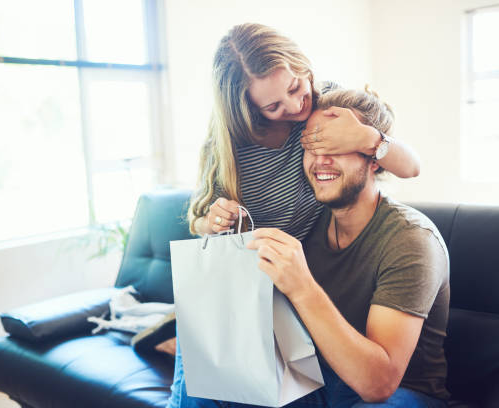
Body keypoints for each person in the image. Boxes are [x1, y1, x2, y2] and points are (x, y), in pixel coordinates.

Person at [166, 22, 423, 407]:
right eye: (273, 106)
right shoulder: (227, 145)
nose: (295, 108)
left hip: (291, 288)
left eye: (293, 88)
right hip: (237, 288)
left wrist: (368, 139)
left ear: (301, 65)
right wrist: (211, 220)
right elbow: (199, 218)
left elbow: (411, 168)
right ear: (248, 109)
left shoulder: (327, 105)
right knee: (198, 391)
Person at [245, 88, 450, 406]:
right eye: (312, 146)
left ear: (376, 162)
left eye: (336, 147)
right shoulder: (307, 221)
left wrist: (302, 287)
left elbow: (378, 384)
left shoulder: (411, 239)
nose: (321, 159)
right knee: (202, 381)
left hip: (399, 392)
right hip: (319, 378)